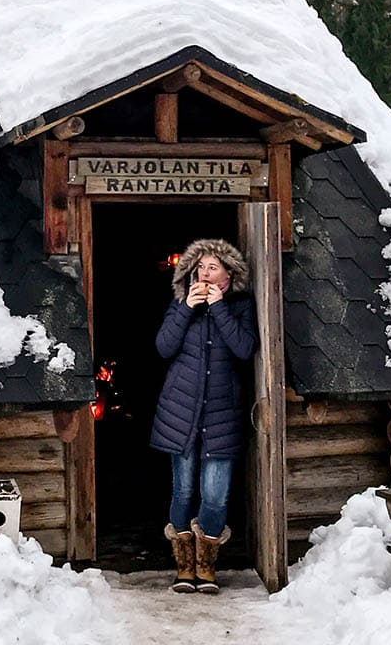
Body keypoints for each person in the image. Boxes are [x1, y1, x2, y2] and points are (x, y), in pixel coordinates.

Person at [150, 238, 258, 594]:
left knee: (215, 496)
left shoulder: (241, 306)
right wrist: (185, 309)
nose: (205, 273)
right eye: (200, 268)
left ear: (229, 274)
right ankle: (184, 568)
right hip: (180, 411)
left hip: (222, 413)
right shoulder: (180, 304)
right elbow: (163, 347)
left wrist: (220, 308)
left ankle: (206, 568)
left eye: (213, 267)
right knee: (182, 492)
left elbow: (244, 349)